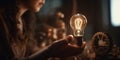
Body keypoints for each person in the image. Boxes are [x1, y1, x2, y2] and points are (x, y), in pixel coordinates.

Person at [0, 0, 86, 60]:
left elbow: (29, 52)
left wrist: (56, 52)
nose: (44, 1)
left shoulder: (22, 21)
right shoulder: (2, 21)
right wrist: (49, 51)